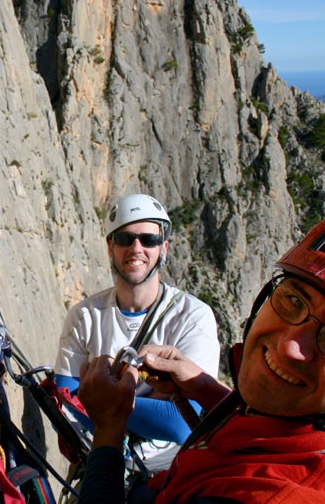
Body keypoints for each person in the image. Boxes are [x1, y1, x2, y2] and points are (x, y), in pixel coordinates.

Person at [77, 205, 325, 503]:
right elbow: (275, 435)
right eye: (293, 301)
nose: (289, 346)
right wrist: (206, 390)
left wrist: (110, 427)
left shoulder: (269, 496)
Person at [53, 193, 220, 470]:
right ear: (110, 247)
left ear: (163, 248)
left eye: (149, 239)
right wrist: (154, 406)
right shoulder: (85, 316)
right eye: (124, 239)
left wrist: (99, 400)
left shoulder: (192, 317)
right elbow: (65, 399)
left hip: (165, 473)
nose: (137, 248)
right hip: (100, 459)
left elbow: (180, 422)